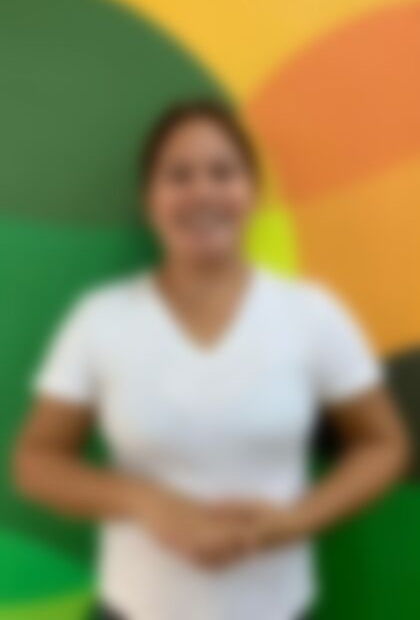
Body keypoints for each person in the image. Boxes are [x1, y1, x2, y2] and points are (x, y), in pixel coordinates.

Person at [14, 101, 409, 620]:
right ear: (149, 199)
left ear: (252, 192)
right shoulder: (101, 318)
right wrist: (145, 502)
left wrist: (297, 520)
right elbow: (37, 460)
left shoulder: (311, 314)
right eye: (179, 175)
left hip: (275, 607)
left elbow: (383, 444)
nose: (202, 191)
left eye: (223, 173)